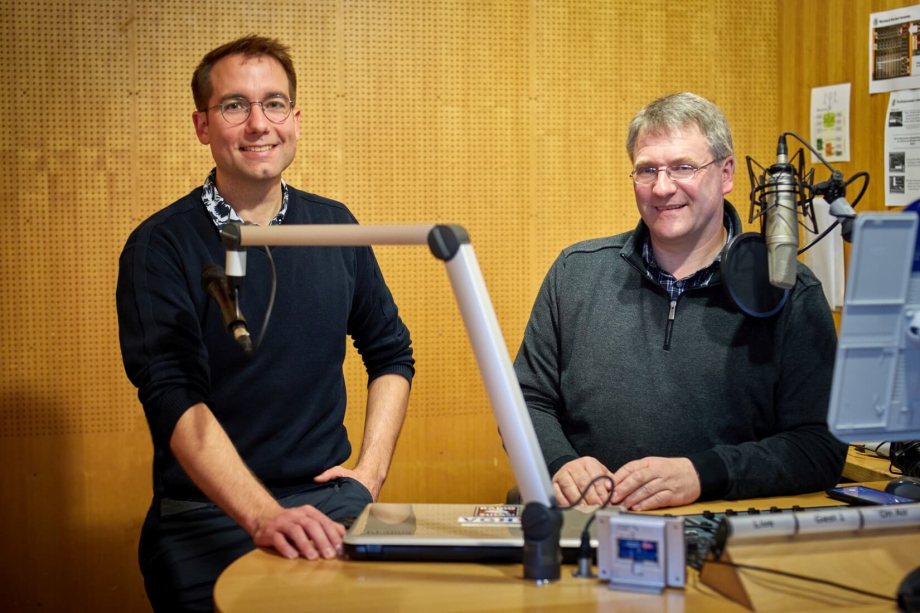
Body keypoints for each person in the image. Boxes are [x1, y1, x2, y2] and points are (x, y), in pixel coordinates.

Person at [116, 35, 414, 612]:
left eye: (273, 103)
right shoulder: (159, 245)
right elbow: (172, 395)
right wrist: (264, 515)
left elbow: (391, 353)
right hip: (208, 515)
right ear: (202, 126)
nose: (259, 124)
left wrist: (368, 478)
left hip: (329, 502)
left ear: (295, 119)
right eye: (235, 106)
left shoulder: (335, 227)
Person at [513, 92, 846, 512]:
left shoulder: (789, 291)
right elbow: (525, 401)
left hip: (722, 534)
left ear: (726, 174)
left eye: (683, 167)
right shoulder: (574, 273)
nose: (662, 187)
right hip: (590, 523)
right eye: (647, 170)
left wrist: (702, 474)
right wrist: (560, 462)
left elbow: (818, 448)